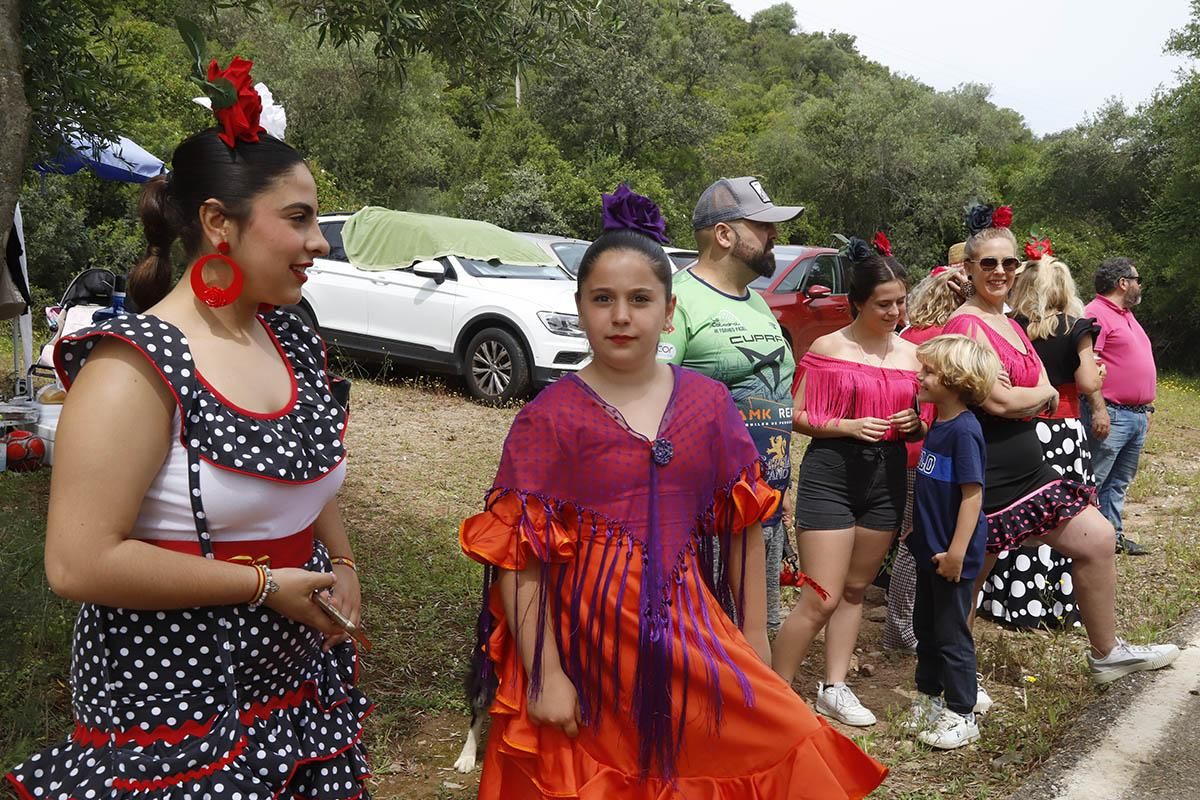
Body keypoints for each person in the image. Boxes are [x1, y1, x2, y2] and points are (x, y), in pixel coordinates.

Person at [5, 61, 371, 799]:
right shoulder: (134, 368)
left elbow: (306, 464)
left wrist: (343, 559)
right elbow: (77, 566)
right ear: (216, 222)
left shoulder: (291, 338)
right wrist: (265, 585)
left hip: (292, 687)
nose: (320, 241)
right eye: (297, 218)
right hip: (174, 708)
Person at [460, 194, 888, 798]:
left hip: (692, 627)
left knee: (782, 734)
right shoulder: (548, 420)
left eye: (640, 300)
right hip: (589, 643)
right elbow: (520, 562)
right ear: (579, 308)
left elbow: (741, 528)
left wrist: (756, 642)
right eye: (602, 299)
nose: (621, 316)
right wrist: (545, 673)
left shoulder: (707, 407)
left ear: (669, 312)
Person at [942, 203, 1178, 684]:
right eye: (988, 263)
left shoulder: (1008, 319)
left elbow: (1028, 391)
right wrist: (1044, 394)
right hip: (987, 469)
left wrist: (1037, 394)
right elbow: (1001, 400)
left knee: (1096, 538)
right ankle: (952, 679)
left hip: (1029, 467)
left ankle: (1106, 653)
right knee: (967, 579)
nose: (1001, 271)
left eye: (1010, 263)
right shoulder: (968, 325)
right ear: (969, 268)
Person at [771, 237, 930, 727]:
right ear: (857, 302)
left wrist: (915, 425)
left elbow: (927, 422)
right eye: (884, 304)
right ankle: (773, 697)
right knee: (821, 594)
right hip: (831, 473)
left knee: (858, 590)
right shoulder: (828, 347)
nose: (896, 311)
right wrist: (846, 426)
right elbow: (794, 415)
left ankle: (834, 688)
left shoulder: (914, 355)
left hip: (886, 477)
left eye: (901, 301)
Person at [659, 176, 802, 633]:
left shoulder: (759, 304)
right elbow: (650, 402)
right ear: (723, 234)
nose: (774, 236)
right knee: (712, 637)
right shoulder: (677, 303)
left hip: (766, 505)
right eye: (762, 226)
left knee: (761, 627)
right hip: (711, 518)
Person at [978, 250, 1101, 628]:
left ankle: (1008, 598)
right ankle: (1053, 602)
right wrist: (1099, 375)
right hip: (1062, 428)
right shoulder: (1075, 327)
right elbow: (1087, 383)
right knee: (1059, 518)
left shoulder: (1011, 324)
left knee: (1014, 521)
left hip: (1025, 429)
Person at [902, 334, 1000, 750]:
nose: (919, 376)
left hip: (951, 555)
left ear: (957, 381)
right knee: (925, 626)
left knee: (951, 634)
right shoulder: (940, 423)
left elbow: (972, 496)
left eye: (929, 372)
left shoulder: (964, 431)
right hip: (930, 550)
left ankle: (962, 711)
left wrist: (958, 553)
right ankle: (928, 697)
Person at [1082, 257, 1156, 556]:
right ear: (1122, 283)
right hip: (1111, 413)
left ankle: (1112, 536)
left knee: (1119, 482)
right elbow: (1088, 364)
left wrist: (1148, 407)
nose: (1140, 285)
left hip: (1134, 415)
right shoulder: (1095, 313)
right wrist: (1098, 409)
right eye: (1136, 279)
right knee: (1095, 478)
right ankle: (1085, 539)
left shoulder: (1126, 315)